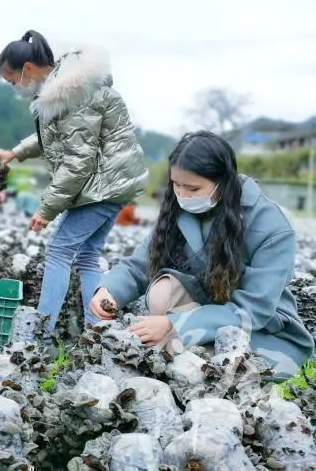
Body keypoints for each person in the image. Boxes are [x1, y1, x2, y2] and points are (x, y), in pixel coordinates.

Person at [91, 131, 314, 379]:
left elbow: (254, 309)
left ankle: (183, 342)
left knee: (226, 368)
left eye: (193, 188)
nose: (183, 195)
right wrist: (108, 290)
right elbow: (139, 265)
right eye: (176, 184)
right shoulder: (177, 208)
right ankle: (183, 342)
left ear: (223, 183)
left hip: (258, 325)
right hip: (205, 304)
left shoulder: (271, 225)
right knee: (161, 292)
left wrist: (176, 324)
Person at [0, 31, 147, 330]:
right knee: (87, 255)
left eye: (13, 81)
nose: (16, 89)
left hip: (103, 185)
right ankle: (97, 329)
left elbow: (77, 162)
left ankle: (40, 330)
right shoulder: (65, 88)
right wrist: (17, 152)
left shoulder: (73, 95)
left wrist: (45, 210)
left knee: (59, 251)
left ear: (28, 70)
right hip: (113, 182)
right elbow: (55, 139)